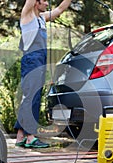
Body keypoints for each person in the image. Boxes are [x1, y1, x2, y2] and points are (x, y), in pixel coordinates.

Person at [14, 0, 72, 148]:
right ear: (36, 3)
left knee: (31, 96)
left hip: (40, 61)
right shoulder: (27, 16)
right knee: (31, 97)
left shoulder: (42, 18)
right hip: (31, 61)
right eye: (44, 1)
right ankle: (30, 137)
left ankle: (20, 136)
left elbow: (59, 9)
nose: (47, 3)